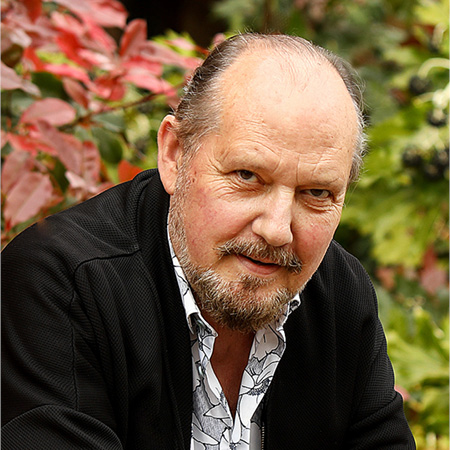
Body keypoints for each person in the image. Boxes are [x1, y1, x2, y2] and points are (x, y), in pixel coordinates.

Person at [2, 33, 415, 449]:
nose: (277, 229)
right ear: (174, 154)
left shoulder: (341, 293)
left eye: (316, 193)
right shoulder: (60, 286)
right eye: (247, 176)